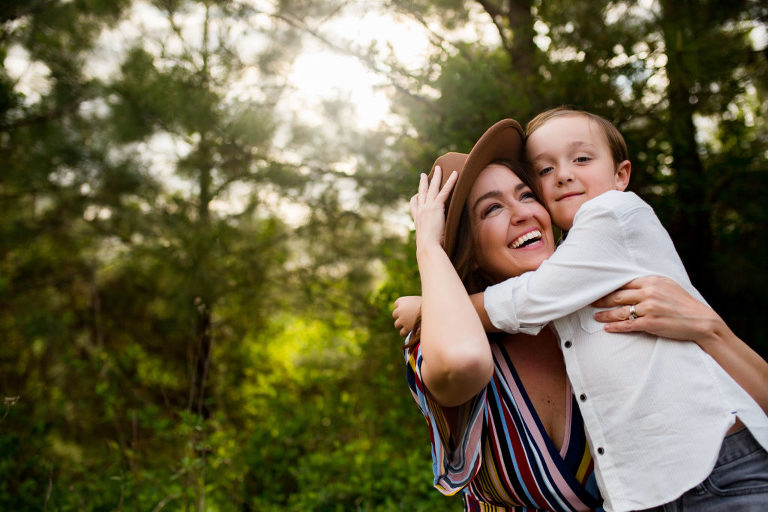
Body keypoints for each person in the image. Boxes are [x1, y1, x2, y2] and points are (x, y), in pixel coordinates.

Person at [398, 111, 768, 511]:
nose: (524, 211)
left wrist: (712, 331)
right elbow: (464, 359)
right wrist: (429, 249)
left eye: (525, 195)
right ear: (467, 254)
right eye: (491, 209)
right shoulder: (439, 339)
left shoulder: (611, 274)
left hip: (715, 475)